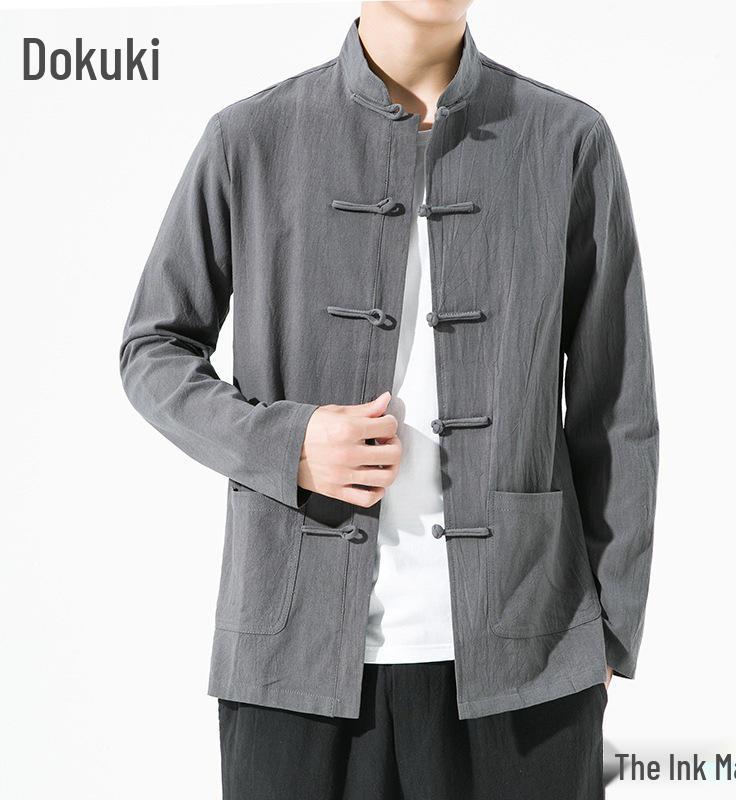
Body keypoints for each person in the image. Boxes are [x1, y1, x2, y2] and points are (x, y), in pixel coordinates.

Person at [120, 2, 659, 798]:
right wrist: (288, 444)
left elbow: (617, 402)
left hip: (530, 657)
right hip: (293, 661)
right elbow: (153, 348)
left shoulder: (567, 141)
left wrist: (609, 631)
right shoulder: (250, 138)